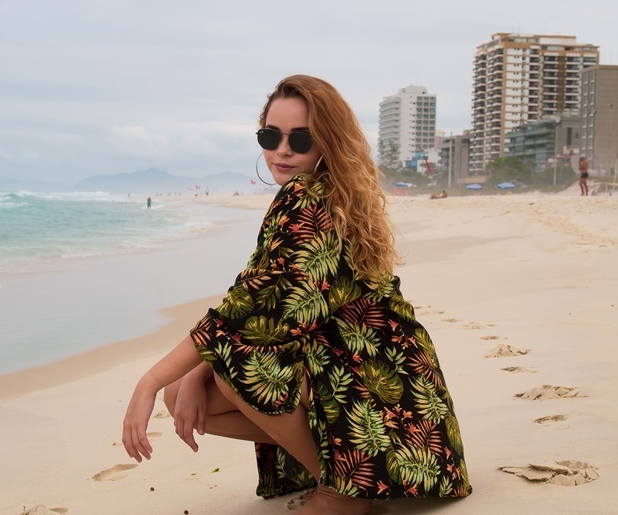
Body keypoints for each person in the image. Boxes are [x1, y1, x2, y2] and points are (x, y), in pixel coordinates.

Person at [122, 75, 472, 513]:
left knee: (244, 368)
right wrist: (191, 374)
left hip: (384, 397)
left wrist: (149, 381)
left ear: (327, 140)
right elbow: (258, 302)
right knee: (185, 392)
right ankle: (336, 472)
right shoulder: (324, 192)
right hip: (395, 398)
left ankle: (344, 494)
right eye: (271, 137)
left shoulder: (311, 199)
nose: (282, 150)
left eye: (300, 139)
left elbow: (259, 314)